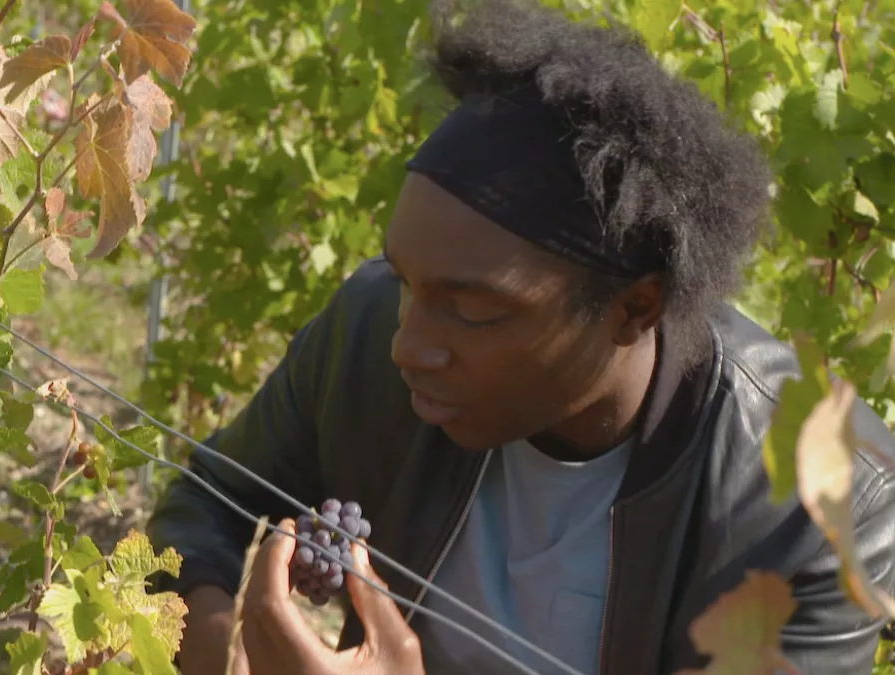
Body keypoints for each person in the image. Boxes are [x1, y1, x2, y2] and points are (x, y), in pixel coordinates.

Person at [145, 0, 895, 673]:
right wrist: (223, 651)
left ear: (635, 308)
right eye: (408, 280)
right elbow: (204, 504)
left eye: (471, 309)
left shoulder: (818, 501)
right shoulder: (368, 333)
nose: (410, 344)